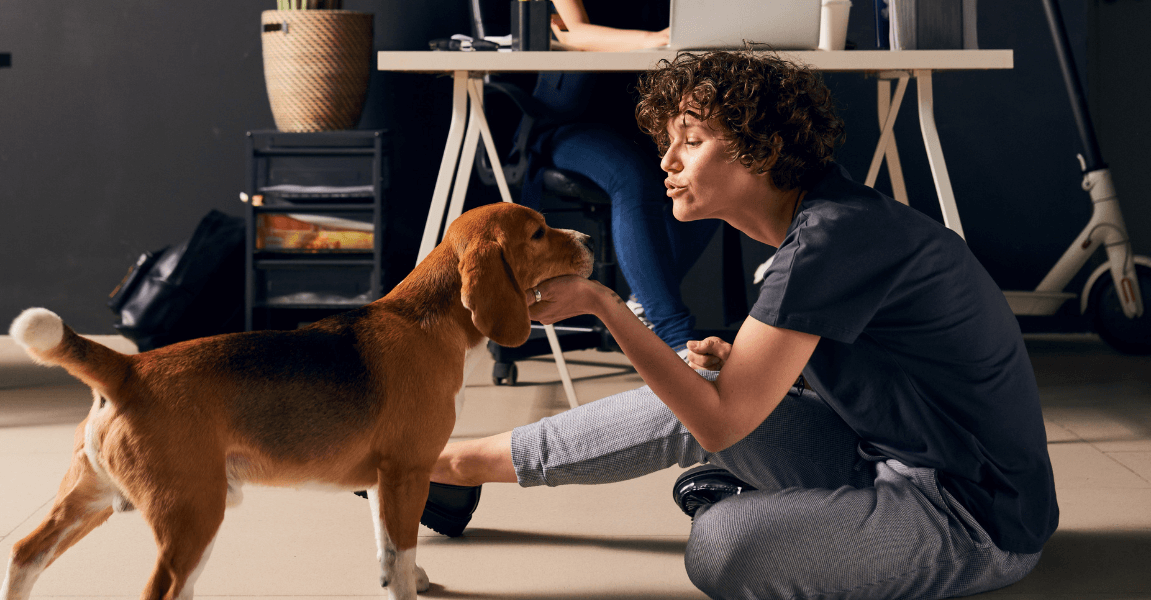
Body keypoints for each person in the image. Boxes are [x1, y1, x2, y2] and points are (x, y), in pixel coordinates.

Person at [425, 51, 1058, 599]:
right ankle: (445, 467)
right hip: (881, 455)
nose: (667, 161)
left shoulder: (829, 242)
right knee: (695, 385)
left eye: (692, 141)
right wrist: (746, 362)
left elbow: (722, 420)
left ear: (766, 150)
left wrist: (603, 304)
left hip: (971, 514)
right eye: (668, 141)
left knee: (721, 549)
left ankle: (747, 506)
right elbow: (887, 371)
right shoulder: (822, 225)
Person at [516, 0, 719, 355]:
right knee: (632, 177)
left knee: (712, 170)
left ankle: (643, 301)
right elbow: (574, 31)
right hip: (569, 121)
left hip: (644, 122)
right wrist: (657, 40)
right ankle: (674, 336)